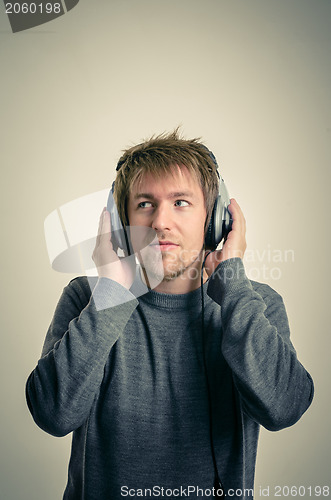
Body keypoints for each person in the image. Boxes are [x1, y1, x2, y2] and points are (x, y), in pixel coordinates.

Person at [26, 130, 314, 500]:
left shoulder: (252, 302)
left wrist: (234, 287)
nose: (161, 221)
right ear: (120, 224)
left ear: (214, 221)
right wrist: (114, 291)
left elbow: (285, 408)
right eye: (145, 204)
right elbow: (52, 414)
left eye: (180, 202)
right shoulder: (88, 298)